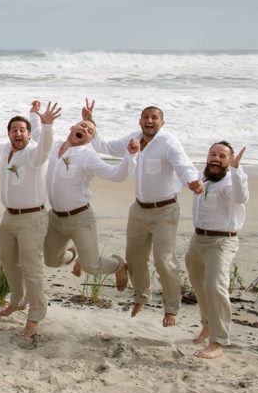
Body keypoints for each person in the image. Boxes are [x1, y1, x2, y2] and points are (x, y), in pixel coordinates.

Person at [85, 101, 202, 326]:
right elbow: (104, 147)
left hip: (165, 211)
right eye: (146, 117)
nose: (149, 120)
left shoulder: (168, 142)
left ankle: (171, 308)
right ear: (140, 121)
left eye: (154, 117)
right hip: (139, 210)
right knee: (135, 258)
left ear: (161, 123)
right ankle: (141, 297)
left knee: (163, 261)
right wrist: (91, 122)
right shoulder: (133, 139)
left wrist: (192, 181)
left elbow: (183, 165)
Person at [0, 101, 61, 337]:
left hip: (32, 218)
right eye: (14, 130)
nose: (18, 133)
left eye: (22, 130)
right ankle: (18, 300)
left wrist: (47, 125)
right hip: (9, 217)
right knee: (7, 259)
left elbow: (46, 147)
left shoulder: (34, 154)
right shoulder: (6, 150)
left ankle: (36, 315)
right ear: (10, 134)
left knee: (31, 268)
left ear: (29, 134)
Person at [43, 116, 137, 293]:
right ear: (72, 127)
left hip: (80, 219)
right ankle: (74, 254)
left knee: (92, 266)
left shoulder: (87, 156)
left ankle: (118, 265)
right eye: (83, 126)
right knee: (51, 262)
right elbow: (38, 136)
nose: (85, 130)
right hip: (55, 219)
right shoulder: (54, 146)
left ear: (89, 140)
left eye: (90, 132)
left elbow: (116, 175)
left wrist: (130, 156)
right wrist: (37, 116)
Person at [186, 142, 248, 359]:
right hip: (198, 239)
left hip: (221, 242)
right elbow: (184, 176)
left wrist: (237, 170)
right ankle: (207, 325)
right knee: (199, 285)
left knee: (215, 287)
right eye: (213, 154)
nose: (216, 159)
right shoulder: (202, 177)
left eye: (222, 156)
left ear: (229, 160)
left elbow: (241, 197)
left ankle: (218, 342)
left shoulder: (231, 181)